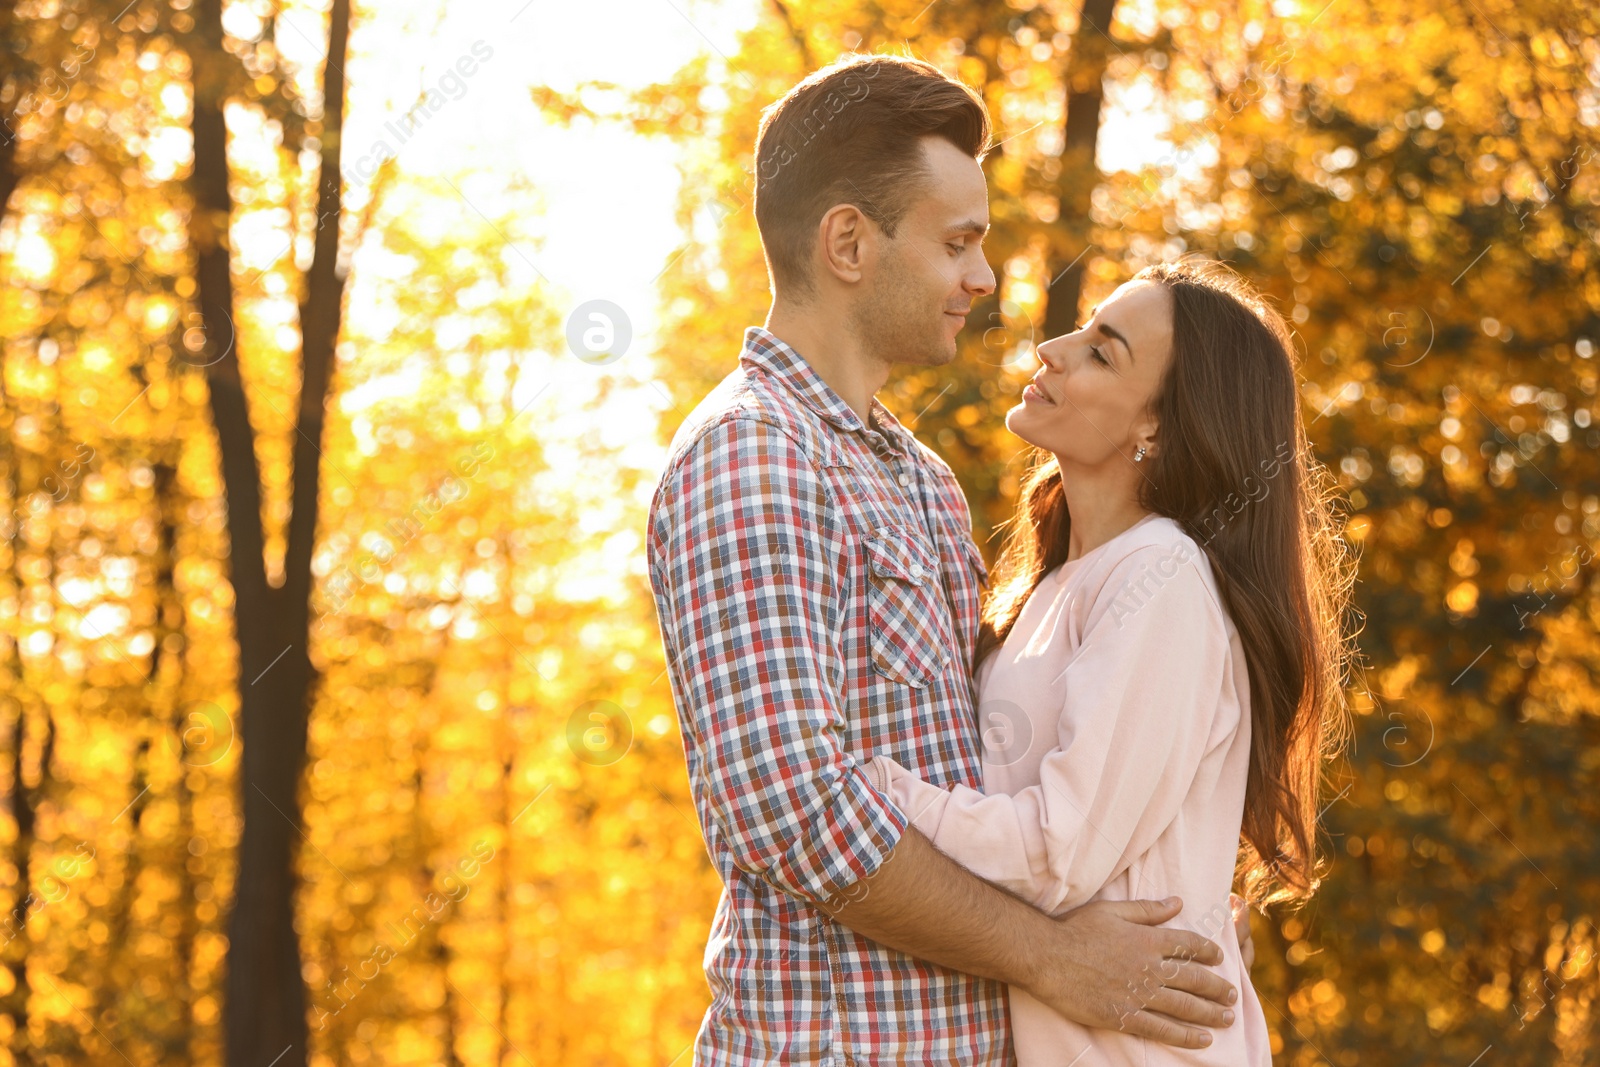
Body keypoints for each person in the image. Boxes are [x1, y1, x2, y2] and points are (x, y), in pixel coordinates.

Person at [646, 55, 1252, 1066]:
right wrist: (1054, 957)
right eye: (958, 242)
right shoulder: (750, 455)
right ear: (849, 242)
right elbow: (790, 811)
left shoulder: (920, 478)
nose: (985, 277)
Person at [865, 260, 1357, 1065]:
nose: (1053, 349)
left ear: (1157, 426)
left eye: (1102, 350)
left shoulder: (1159, 577)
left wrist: (867, 787)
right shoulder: (1057, 583)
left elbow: (1057, 854)